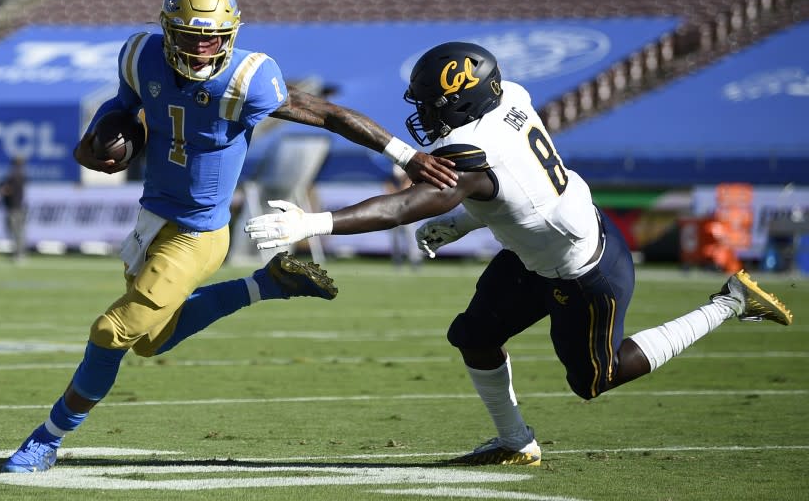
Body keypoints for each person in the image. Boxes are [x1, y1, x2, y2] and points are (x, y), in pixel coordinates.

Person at [245, 41, 794, 466]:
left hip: (586, 272)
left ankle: (730, 301)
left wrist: (316, 221)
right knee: (474, 337)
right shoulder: (510, 96)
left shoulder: (473, 148)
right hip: (540, 248)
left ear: (463, 100)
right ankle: (516, 441)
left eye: (435, 105)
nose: (426, 115)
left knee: (595, 378)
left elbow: (405, 206)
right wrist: (461, 222)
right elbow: (511, 182)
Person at [1, 0, 456, 473]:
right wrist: (95, 139)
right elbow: (121, 105)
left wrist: (405, 154)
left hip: (198, 233)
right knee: (151, 341)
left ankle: (47, 438)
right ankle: (265, 285)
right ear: (169, 32)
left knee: (112, 331)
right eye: (192, 38)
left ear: (231, 34)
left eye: (213, 38)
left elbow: (326, 115)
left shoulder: (247, 79)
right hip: (152, 221)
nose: (202, 50)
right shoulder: (139, 55)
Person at [0, 156, 28, 262]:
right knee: (19, 231)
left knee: (16, 232)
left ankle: (19, 254)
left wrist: (2, 190)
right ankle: (19, 253)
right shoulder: (22, 175)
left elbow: (7, 190)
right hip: (19, 206)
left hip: (14, 207)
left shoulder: (13, 176)